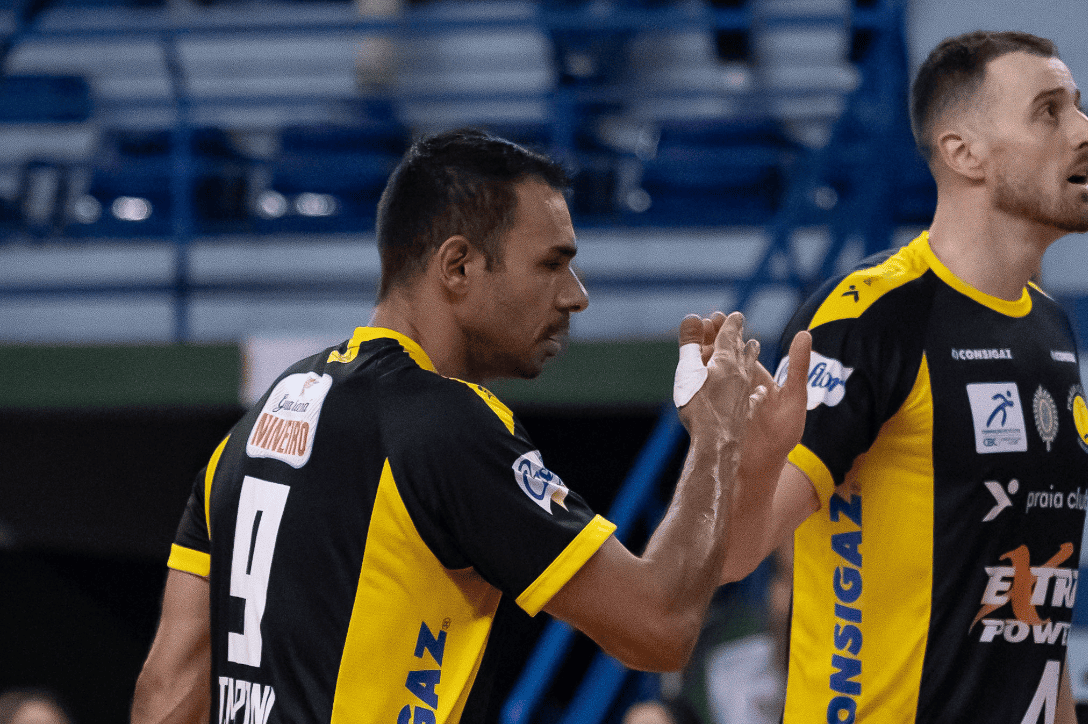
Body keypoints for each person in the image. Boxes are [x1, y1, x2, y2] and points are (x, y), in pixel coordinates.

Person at [130, 129, 813, 724]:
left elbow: (168, 692)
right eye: (552, 263)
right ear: (457, 266)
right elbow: (660, 627)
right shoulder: (446, 424)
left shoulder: (252, 428)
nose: (576, 295)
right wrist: (716, 436)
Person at [719, 30, 1088, 723]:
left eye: (1077, 107)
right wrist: (740, 449)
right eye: (1050, 111)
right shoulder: (868, 319)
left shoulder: (1052, 330)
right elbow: (735, 552)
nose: (1085, 132)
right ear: (963, 153)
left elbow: (1039, 622)